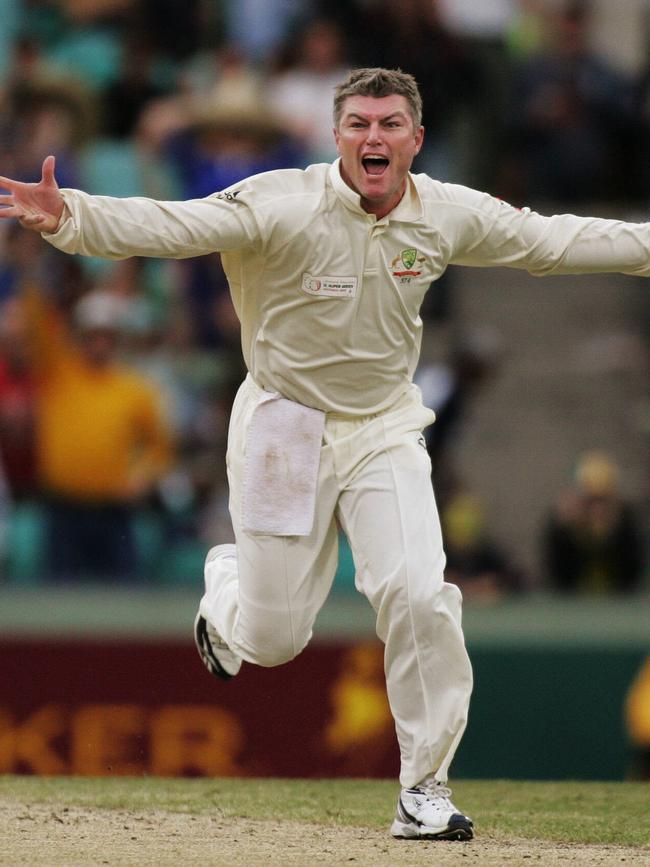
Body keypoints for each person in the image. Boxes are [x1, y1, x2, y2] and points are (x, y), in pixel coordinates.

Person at [2, 66, 650, 842]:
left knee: (418, 594)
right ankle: (228, 582)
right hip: (283, 423)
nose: (373, 138)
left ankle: (424, 788)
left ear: (415, 138)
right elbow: (175, 226)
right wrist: (71, 216)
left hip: (383, 427)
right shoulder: (281, 202)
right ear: (335, 134)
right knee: (275, 639)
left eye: (389, 125)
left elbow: (552, 240)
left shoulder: (444, 212)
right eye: (359, 125)